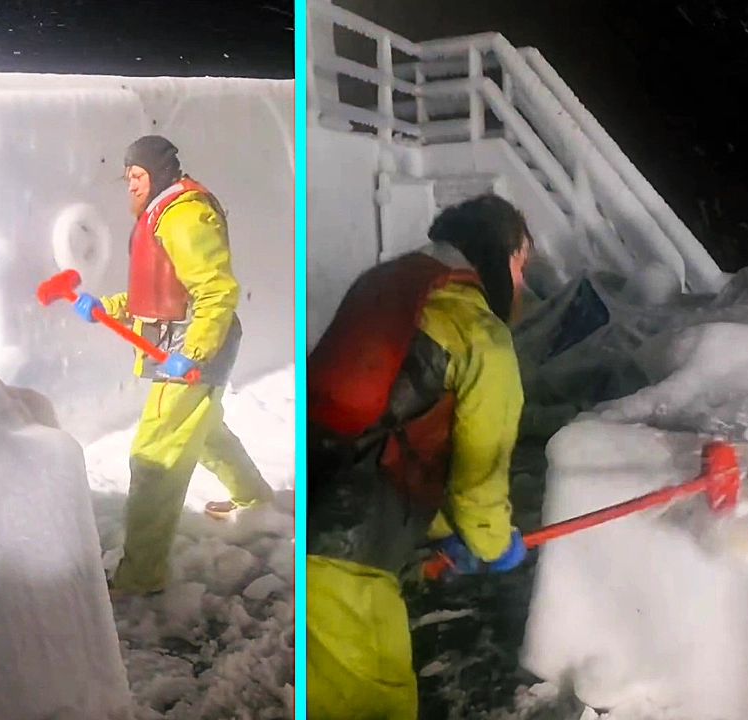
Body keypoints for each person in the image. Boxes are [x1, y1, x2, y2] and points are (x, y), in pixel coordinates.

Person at [305, 194, 533, 719]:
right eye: (521, 267)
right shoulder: (482, 337)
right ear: (497, 257)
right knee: (377, 706)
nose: (522, 287)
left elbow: (385, 428)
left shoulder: (390, 293)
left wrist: (439, 533)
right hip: (349, 565)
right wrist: (495, 545)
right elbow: (481, 476)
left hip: (317, 532)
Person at [73, 135, 274, 597]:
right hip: (179, 347)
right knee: (205, 430)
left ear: (159, 173)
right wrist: (107, 306)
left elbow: (216, 291)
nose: (132, 186)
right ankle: (255, 501)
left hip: (189, 352)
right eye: (128, 178)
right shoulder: (162, 214)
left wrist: (196, 353)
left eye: (138, 176)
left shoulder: (183, 215)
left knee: (153, 458)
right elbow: (159, 292)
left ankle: (141, 574)